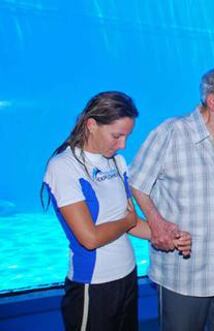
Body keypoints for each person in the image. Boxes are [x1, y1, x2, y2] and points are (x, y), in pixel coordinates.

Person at [41, 91, 191, 331]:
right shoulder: (63, 167)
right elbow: (89, 238)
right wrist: (127, 220)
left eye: (127, 136)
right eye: (117, 136)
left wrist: (167, 235)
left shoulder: (117, 162)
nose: (122, 145)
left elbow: (130, 223)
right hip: (93, 286)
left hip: (127, 276)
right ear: (91, 125)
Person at [129, 66, 214, 331]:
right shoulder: (171, 132)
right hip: (184, 275)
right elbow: (137, 183)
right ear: (212, 101)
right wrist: (156, 222)